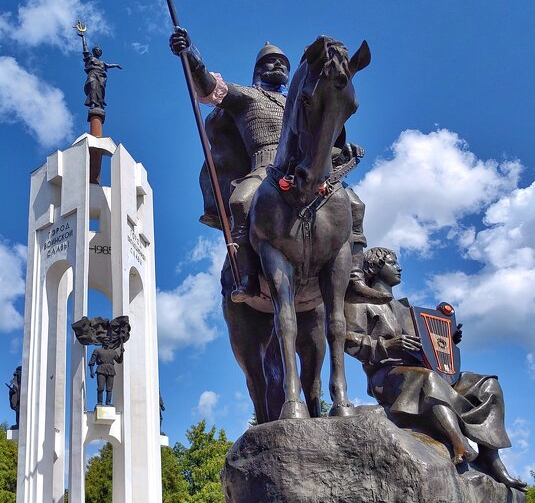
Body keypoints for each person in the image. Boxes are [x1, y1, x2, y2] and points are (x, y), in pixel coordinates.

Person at [170, 27, 381, 304]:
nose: (278, 64)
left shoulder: (304, 97)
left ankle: (353, 277)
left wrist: (341, 150)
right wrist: (191, 54)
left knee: (354, 204)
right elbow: (209, 88)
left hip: (309, 167)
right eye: (270, 61)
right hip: (265, 168)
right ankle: (246, 275)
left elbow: (325, 133)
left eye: (283, 62)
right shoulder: (246, 96)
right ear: (257, 69)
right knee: (241, 201)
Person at [344, 247, 525, 490]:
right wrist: (386, 344)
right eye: (392, 262)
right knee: (427, 379)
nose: (399, 268)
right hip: (388, 376)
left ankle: (492, 459)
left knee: (488, 384)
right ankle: (459, 442)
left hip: (426, 370)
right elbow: (346, 340)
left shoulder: (408, 310)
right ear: (375, 268)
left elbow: (430, 345)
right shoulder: (359, 301)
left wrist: (449, 339)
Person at [89, 341, 124, 407]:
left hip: (110, 370)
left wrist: (122, 353)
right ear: (103, 342)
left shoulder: (113, 352)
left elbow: (119, 361)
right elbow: (91, 362)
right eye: (105, 341)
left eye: (108, 341)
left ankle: (108, 402)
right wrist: (91, 371)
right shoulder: (97, 351)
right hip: (101, 369)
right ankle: (100, 402)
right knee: (100, 387)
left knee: (109, 388)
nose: (107, 343)